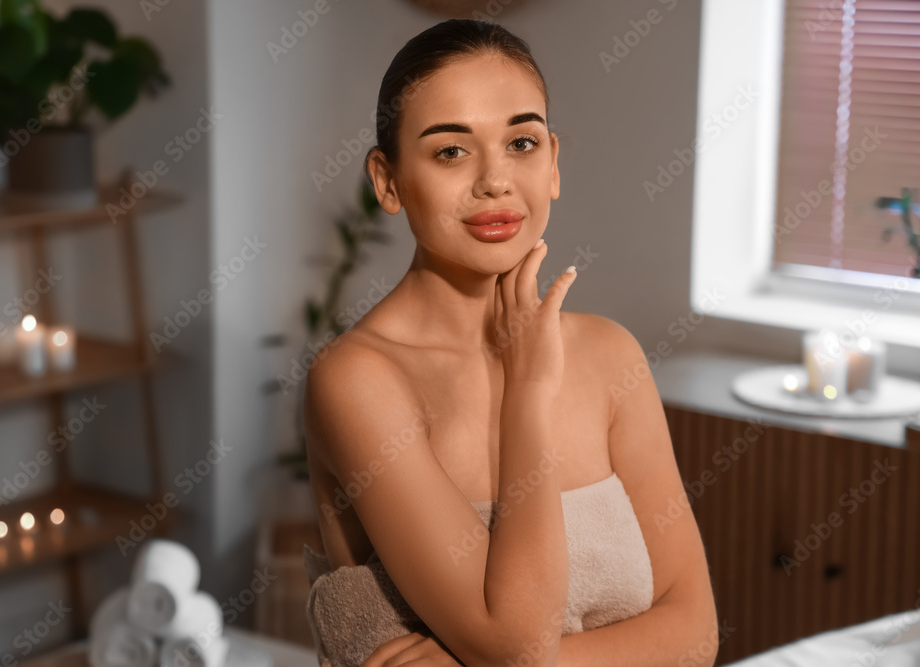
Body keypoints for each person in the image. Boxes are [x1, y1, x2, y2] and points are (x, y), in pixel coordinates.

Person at [302, 18, 717, 667]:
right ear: (386, 181)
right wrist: (527, 390)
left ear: (552, 162)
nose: (495, 180)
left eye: (521, 142)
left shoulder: (613, 356)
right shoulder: (356, 380)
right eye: (450, 151)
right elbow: (513, 641)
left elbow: (694, 635)